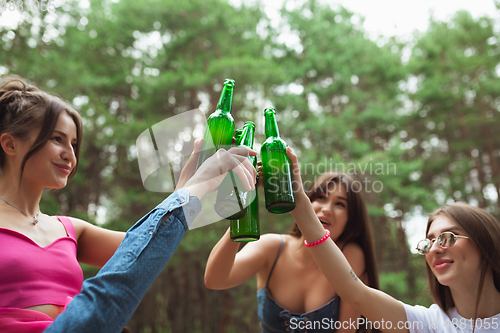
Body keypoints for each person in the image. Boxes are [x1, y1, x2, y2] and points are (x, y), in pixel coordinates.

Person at [0, 75, 257, 333]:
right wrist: (194, 189)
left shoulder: (70, 230)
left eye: (74, 143)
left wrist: (185, 189)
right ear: (10, 144)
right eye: (57, 139)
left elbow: (145, 251)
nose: (70, 153)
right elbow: (125, 275)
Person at [285, 146, 500, 333]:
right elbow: (354, 292)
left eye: (446, 237)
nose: (434, 249)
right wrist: (300, 205)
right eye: (428, 242)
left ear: (484, 242)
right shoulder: (427, 325)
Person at [205, 170, 380, 332]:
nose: (326, 209)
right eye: (321, 197)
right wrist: (241, 206)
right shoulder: (272, 247)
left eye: (340, 204)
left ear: (351, 219)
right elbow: (215, 280)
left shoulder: (351, 255)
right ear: (307, 201)